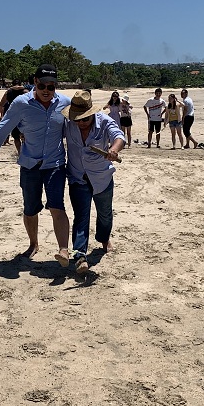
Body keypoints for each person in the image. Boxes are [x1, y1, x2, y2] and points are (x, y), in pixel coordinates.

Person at [0, 64, 72, 263]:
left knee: (57, 207)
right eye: (42, 86)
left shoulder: (65, 103)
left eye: (51, 87)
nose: (46, 91)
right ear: (35, 82)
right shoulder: (21, 103)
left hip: (55, 164)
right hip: (30, 165)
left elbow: (78, 127)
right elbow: (3, 127)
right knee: (30, 209)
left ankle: (63, 250)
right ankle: (33, 244)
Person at [63, 90, 125, 277]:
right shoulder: (69, 123)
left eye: (85, 119)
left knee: (105, 214)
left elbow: (119, 136)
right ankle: (80, 255)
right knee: (81, 216)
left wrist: (114, 150)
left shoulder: (104, 121)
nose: (81, 123)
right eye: (77, 119)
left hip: (101, 177)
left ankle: (104, 239)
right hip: (77, 177)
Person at [0, 84, 27, 155]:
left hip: (13, 117)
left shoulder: (8, 92)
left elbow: (1, 105)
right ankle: (26, 153)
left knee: (16, 137)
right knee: (25, 136)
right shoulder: (25, 91)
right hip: (24, 116)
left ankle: (20, 153)